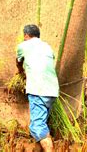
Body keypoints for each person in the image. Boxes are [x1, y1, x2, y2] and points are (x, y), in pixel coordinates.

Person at [16, 24, 59, 152]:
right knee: (42, 121)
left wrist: (20, 72)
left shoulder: (23, 45)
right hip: (52, 90)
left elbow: (18, 62)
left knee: (37, 126)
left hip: (38, 89)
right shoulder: (47, 47)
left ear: (26, 35)